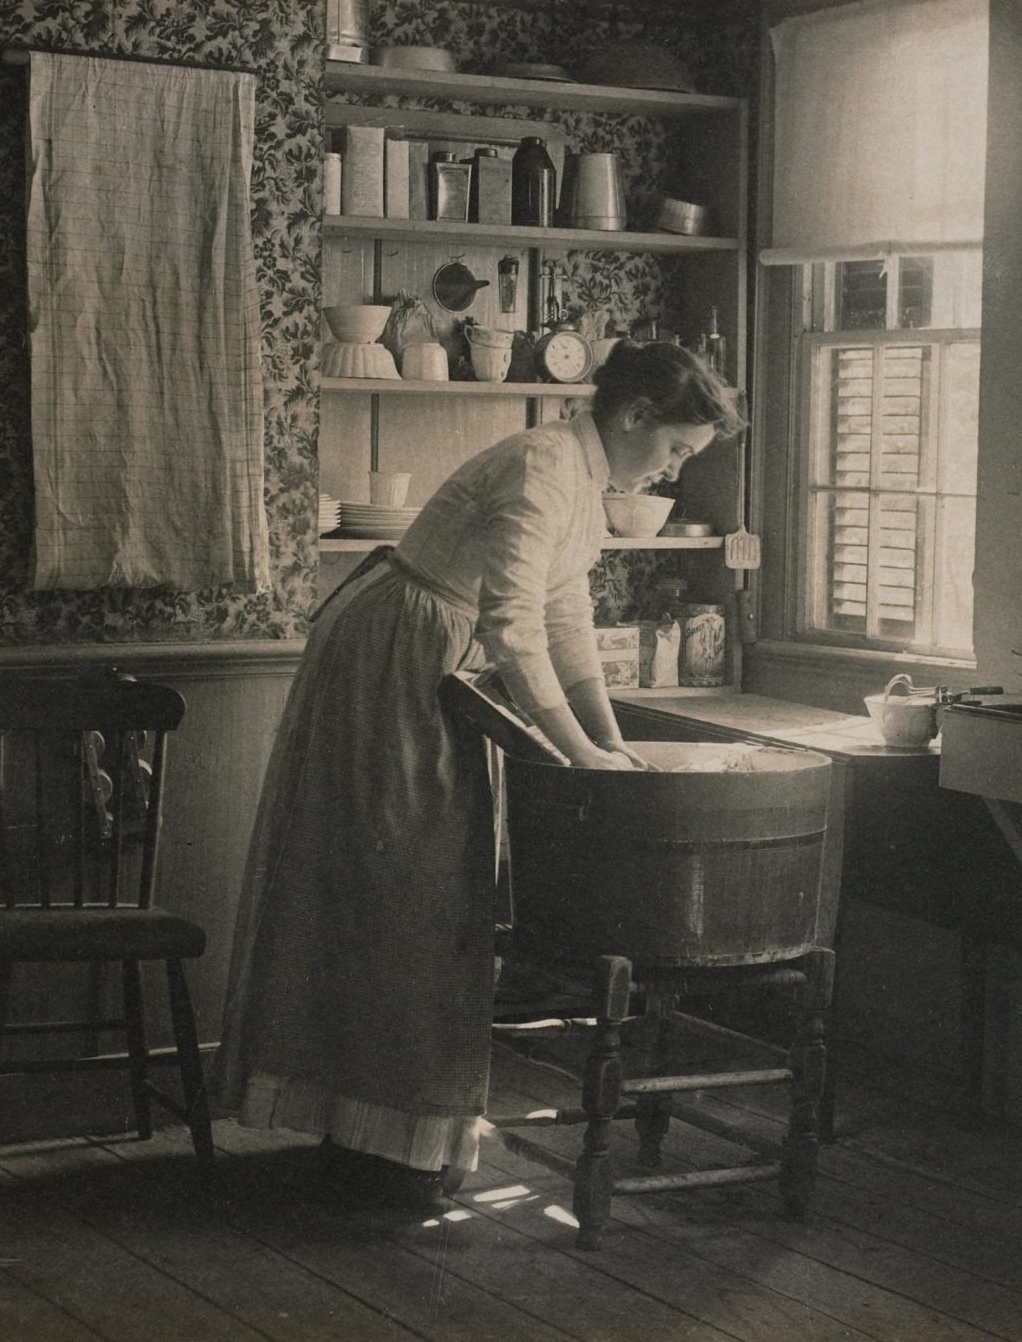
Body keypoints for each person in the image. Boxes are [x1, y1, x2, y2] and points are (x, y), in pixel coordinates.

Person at [214, 340, 744, 1210]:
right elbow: (513, 629)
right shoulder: (543, 464)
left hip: (432, 656)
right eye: (678, 450)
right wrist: (577, 756)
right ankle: (370, 1141)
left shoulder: (584, 481)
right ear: (636, 415)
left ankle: (390, 1140)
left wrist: (614, 748)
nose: (675, 471)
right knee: (398, 882)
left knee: (426, 887)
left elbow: (566, 616)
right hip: (395, 650)